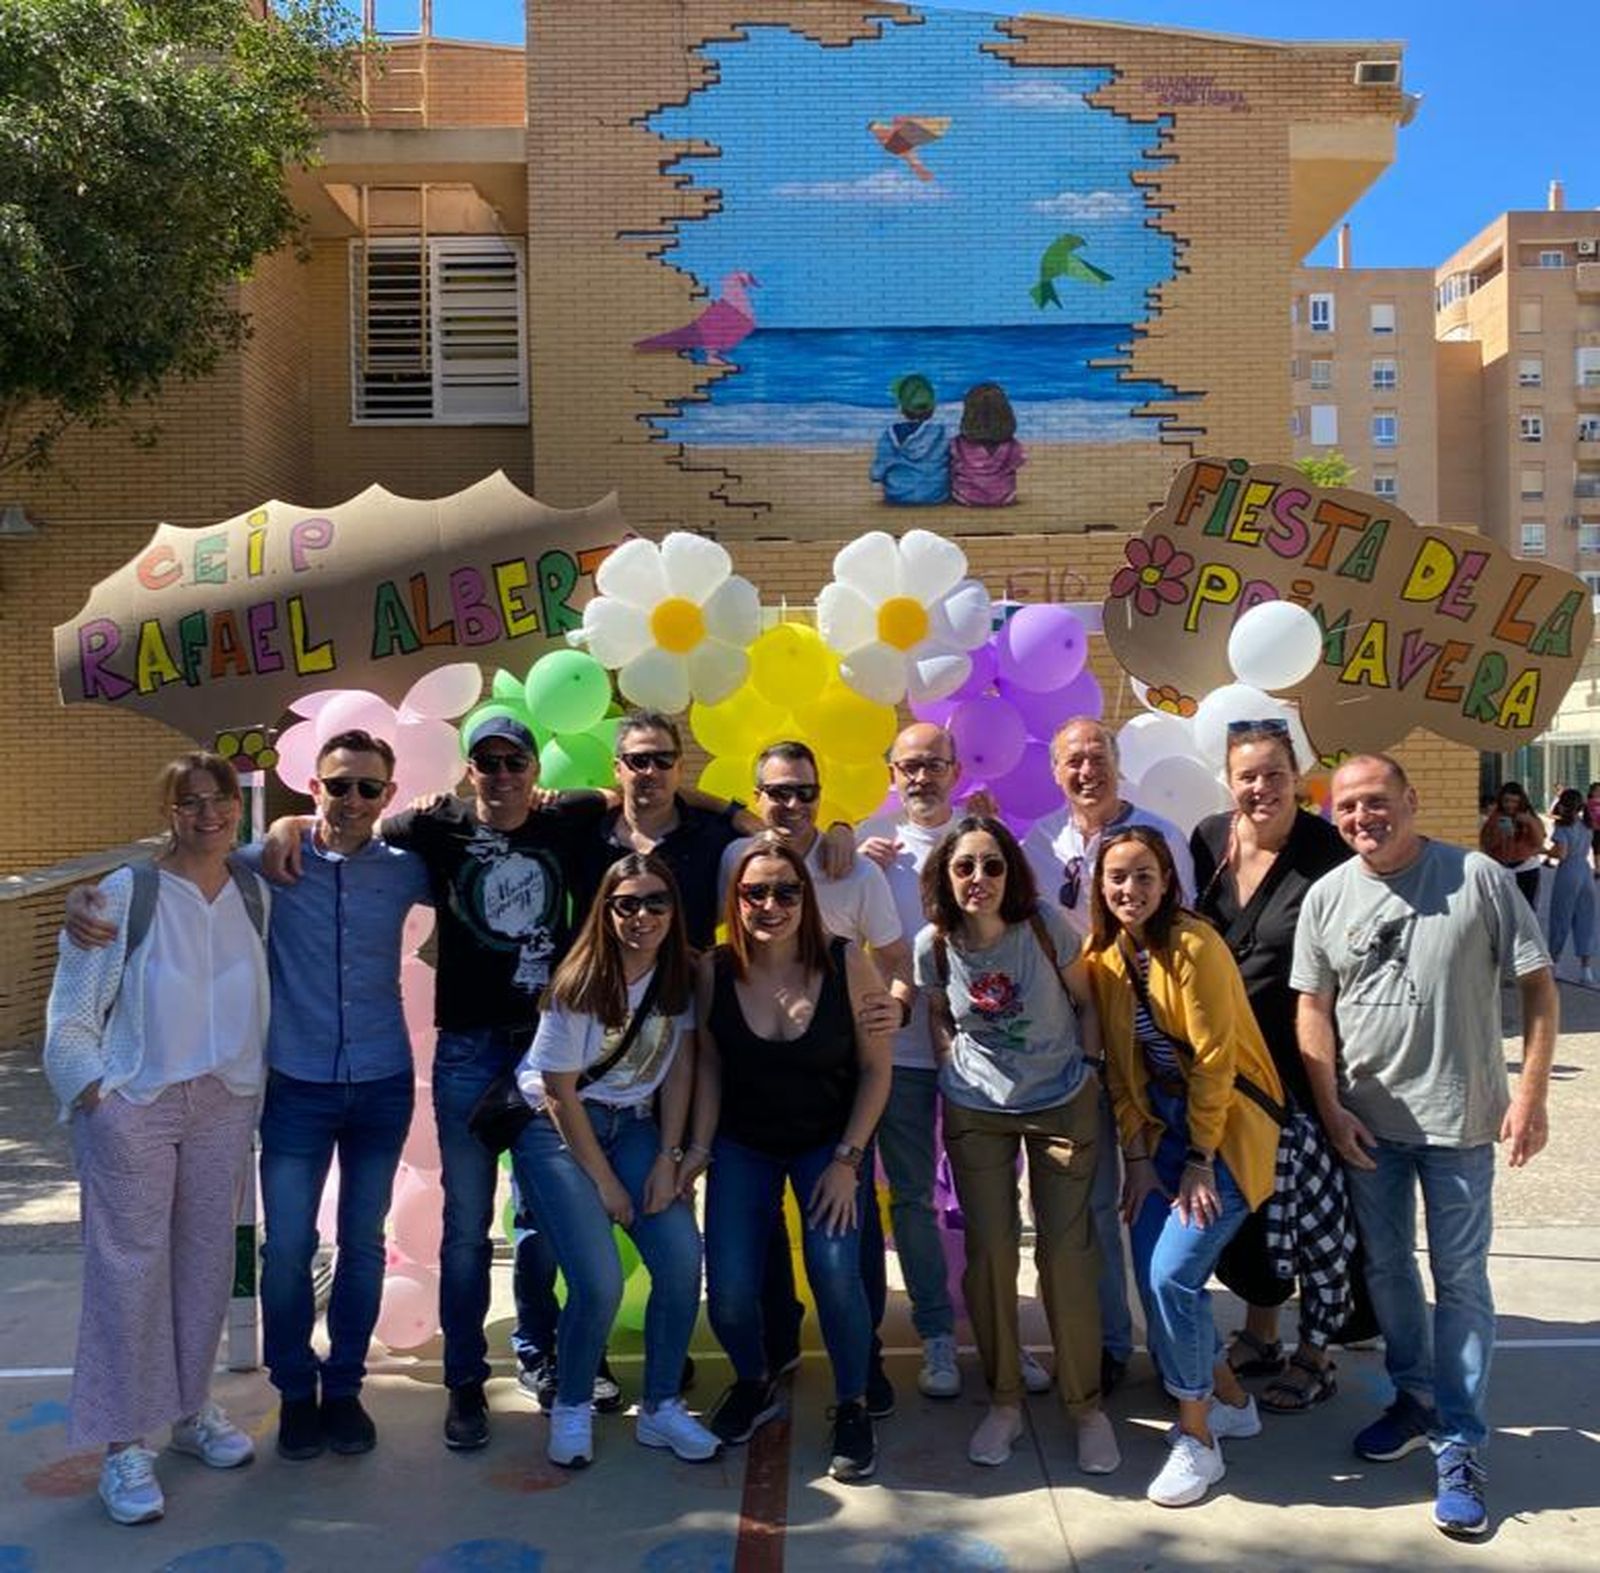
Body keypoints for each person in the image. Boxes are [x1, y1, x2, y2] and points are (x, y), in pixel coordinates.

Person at [62, 731, 435, 1461]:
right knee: (288, 1246)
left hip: (380, 1082)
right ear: (314, 789)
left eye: (367, 787)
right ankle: (296, 1394)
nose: (351, 799)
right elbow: (174, 859)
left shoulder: (406, 870)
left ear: (388, 795)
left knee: (362, 1245)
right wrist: (89, 894)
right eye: (336, 785)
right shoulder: (266, 868)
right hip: (293, 1084)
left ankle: (345, 1388)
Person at [1294, 755, 1558, 1538]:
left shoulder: (1477, 876)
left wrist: (1532, 1094)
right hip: (1371, 1127)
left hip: (1460, 1124)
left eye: (1376, 801)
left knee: (1462, 1278)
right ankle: (1414, 1397)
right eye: (1346, 807)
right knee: (1386, 1271)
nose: (1361, 817)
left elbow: (1538, 986)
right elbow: (1313, 1005)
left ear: (1411, 801)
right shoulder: (1328, 895)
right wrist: (1331, 1105)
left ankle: (1463, 1439)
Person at [45, 753, 270, 1526]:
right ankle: (121, 1444)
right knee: (128, 1270)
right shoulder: (122, 893)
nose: (207, 814)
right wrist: (93, 1094)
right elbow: (70, 1011)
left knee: (205, 1263)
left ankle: (191, 1407)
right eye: (189, 801)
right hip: (135, 1097)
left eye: (220, 801)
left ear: (238, 809)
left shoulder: (253, 888)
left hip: (224, 1099)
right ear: (167, 810)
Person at [914, 815, 1119, 1475]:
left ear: (1012, 872)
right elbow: (939, 1012)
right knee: (992, 1252)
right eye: (965, 866)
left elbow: (1088, 1003)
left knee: (1066, 1253)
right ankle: (1002, 1399)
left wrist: (1087, 1070)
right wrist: (950, 1062)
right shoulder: (934, 945)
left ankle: (1085, 1406)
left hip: (1061, 1103)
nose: (979, 878)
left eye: (992, 865)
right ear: (946, 876)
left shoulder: (1044, 926)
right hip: (978, 1110)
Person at [1084, 826, 1283, 1508]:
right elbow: (1122, 1071)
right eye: (1116, 877)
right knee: (1157, 1275)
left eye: (1144, 875)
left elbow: (1214, 1061)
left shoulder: (1196, 944)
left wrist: (1200, 1159)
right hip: (1162, 1137)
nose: (1129, 889)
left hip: (1223, 1132)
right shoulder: (1107, 958)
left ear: (1168, 881)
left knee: (1175, 1273)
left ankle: (1198, 1437)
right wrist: (1137, 1159)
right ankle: (1229, 1397)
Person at [510, 855, 719, 1468]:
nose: (642, 915)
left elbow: (680, 1066)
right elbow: (557, 1092)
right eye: (626, 903)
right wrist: (605, 1184)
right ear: (605, 912)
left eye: (656, 902)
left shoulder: (678, 974)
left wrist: (671, 1156)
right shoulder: (579, 983)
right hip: (560, 1130)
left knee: (682, 1260)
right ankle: (571, 1404)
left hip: (635, 1125)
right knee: (598, 1281)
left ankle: (660, 1410)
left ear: (673, 910)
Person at [695, 839, 893, 1482]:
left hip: (826, 1145)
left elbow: (876, 1071)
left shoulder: (844, 962)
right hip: (742, 1146)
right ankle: (754, 1381)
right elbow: (706, 1069)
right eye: (755, 893)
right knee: (727, 1292)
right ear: (736, 901)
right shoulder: (714, 969)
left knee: (836, 1274)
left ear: (807, 899)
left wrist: (848, 1160)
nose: (771, 905)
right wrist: (695, 1151)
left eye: (786, 891)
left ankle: (853, 1402)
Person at [719, 741, 906, 1416]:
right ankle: (768, 1358)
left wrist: (895, 1006)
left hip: (836, 1098)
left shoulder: (852, 871)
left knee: (844, 1257)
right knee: (747, 1261)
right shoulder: (734, 864)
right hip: (752, 1111)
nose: (792, 803)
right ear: (756, 796)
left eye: (805, 791)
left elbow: (896, 960)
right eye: (777, 791)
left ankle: (863, 1374)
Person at [1189, 719, 1363, 1411]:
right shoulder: (1208, 840)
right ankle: (1261, 1331)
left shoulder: (1328, 848)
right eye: (1247, 775)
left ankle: (1317, 1351)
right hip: (1230, 1069)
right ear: (1229, 782)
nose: (1260, 787)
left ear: (1297, 775)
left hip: (1303, 1063)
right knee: (1255, 1215)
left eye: (1273, 773)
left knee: (1319, 1219)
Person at [1023, 716, 1196, 1394]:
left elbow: (1183, 935)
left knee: (1156, 1201)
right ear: (1056, 772)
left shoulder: (1163, 836)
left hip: (1152, 1052)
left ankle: (1175, 1349)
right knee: (1095, 1206)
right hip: (1073, 1051)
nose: (1086, 770)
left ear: (1118, 763)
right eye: (1072, 760)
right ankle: (1111, 1343)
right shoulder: (1038, 841)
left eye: (1097, 756)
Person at [870, 372, 951, 506]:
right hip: (934, 495)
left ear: (901, 407)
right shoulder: (940, 433)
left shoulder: (890, 435)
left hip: (898, 495)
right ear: (932, 407)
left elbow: (876, 473)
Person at [1543, 788, 1596, 983]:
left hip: (1568, 872)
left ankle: (1554, 963)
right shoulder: (1587, 825)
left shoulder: (1562, 828)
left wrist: (1542, 850)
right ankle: (1586, 969)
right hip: (1585, 871)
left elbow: (1561, 854)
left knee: (1560, 917)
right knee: (1586, 919)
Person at [949, 381, 1026, 507]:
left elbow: (953, 467)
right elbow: (1018, 462)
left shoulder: (958, 444)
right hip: (1004, 497)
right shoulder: (1012, 446)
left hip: (966, 497)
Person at [1477, 780, 1545, 910]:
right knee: (1503, 909)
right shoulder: (1495, 817)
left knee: (1527, 910)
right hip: (1501, 867)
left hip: (1526, 868)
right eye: (1506, 801)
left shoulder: (1528, 816)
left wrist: (1530, 822)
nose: (1510, 805)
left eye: (1514, 802)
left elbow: (1539, 843)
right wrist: (1501, 835)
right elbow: (1486, 844)